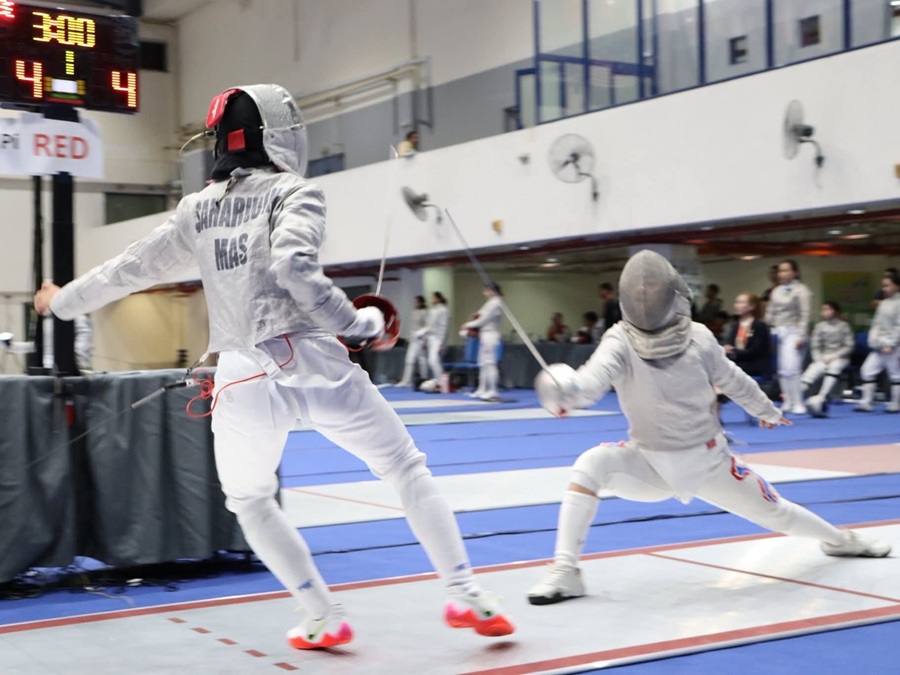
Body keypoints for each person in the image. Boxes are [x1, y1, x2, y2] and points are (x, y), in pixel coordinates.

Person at [34, 84, 513, 649]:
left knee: (250, 500)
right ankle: (465, 592)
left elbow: (128, 269)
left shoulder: (197, 209)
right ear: (279, 132)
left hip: (241, 377)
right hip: (313, 359)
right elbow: (293, 267)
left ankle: (321, 614)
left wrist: (60, 301)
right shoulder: (294, 192)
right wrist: (356, 323)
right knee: (405, 468)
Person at [525, 250, 890, 606]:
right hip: (649, 463)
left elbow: (732, 378)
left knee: (777, 511)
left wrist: (766, 409)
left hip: (708, 461)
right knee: (591, 464)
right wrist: (568, 392)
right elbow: (593, 379)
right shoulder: (619, 339)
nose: (646, 301)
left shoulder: (698, 336)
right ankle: (566, 569)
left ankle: (841, 540)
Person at [764, 259, 812, 415]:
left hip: (794, 331)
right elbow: (770, 312)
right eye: (780, 271)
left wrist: (801, 335)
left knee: (792, 368)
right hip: (777, 332)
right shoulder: (776, 291)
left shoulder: (802, 290)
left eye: (785, 270)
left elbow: (805, 314)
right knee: (782, 369)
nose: (782, 274)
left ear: (795, 272)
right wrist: (766, 328)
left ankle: (799, 402)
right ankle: (788, 401)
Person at [855, 270, 900, 413]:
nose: (885, 289)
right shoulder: (883, 303)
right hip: (879, 344)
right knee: (867, 371)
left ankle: (896, 403)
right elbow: (876, 324)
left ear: (897, 286)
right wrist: (873, 339)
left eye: (888, 285)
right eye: (883, 286)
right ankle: (866, 402)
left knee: (895, 374)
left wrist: (891, 343)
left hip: (893, 346)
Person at [801, 301, 854, 417]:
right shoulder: (819, 327)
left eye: (827, 309)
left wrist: (835, 356)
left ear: (834, 311)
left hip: (840, 357)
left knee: (834, 367)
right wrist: (819, 359)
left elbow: (849, 345)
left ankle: (822, 396)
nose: (825, 312)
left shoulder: (844, 326)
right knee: (813, 369)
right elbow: (815, 346)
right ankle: (795, 399)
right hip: (823, 357)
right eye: (823, 309)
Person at [462, 282, 503, 401]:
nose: (484, 293)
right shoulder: (490, 303)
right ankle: (482, 388)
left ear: (491, 291)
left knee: (490, 363)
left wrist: (468, 324)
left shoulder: (496, 303)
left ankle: (493, 390)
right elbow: (479, 315)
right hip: (485, 335)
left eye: (485, 290)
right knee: (483, 364)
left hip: (491, 334)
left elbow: (484, 319)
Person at [723, 292, 771, 378]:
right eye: (736, 302)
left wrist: (733, 351)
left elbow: (755, 351)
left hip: (753, 364)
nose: (737, 305)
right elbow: (729, 344)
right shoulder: (735, 325)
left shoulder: (759, 326)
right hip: (737, 362)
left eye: (741, 303)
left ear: (752, 306)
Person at [395, 295, 428, 387]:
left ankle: (424, 379)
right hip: (413, 338)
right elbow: (411, 326)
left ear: (421, 302)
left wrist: (425, 339)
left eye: (417, 301)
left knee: (422, 361)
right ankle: (406, 380)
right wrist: (409, 338)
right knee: (409, 360)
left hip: (420, 338)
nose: (415, 303)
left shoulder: (424, 312)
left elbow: (427, 326)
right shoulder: (414, 312)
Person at [420, 291, 449, 386]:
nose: (432, 300)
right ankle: (438, 380)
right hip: (430, 337)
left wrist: (441, 343)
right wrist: (425, 339)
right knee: (432, 361)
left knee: (433, 360)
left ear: (439, 299)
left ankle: (441, 382)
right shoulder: (432, 310)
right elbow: (428, 326)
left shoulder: (443, 310)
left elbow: (443, 327)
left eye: (433, 298)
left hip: (437, 338)